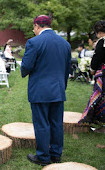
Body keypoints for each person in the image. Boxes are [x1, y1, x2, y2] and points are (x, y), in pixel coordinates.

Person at [21, 15, 71, 166]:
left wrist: (25, 69)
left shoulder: (34, 42)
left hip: (40, 91)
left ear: (37, 26)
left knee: (42, 123)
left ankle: (43, 156)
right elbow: (67, 69)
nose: (33, 30)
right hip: (58, 89)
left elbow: (26, 66)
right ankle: (56, 154)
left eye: (33, 27)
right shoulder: (65, 44)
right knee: (56, 123)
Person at [79, 20, 105, 135]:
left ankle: (103, 128)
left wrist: (92, 69)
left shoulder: (103, 41)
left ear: (99, 32)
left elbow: (97, 59)